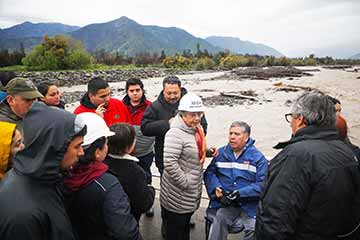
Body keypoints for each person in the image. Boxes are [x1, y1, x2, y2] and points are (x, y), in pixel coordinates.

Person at [256, 91, 360, 240]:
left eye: (290, 118)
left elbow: (275, 221)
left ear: (300, 120)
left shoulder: (295, 156)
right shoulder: (348, 152)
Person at [0, 102, 87, 240]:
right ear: (56, 148)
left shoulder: (45, 178)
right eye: (77, 146)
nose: (81, 153)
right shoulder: (22, 215)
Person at [65, 113, 142, 240]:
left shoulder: (60, 174)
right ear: (97, 152)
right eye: (106, 143)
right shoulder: (108, 185)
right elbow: (125, 233)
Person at [160, 93, 215, 240]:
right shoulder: (175, 133)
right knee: (177, 232)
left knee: (183, 227)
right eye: (192, 115)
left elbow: (193, 149)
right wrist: (186, 183)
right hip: (177, 193)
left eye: (199, 114)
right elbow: (170, 163)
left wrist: (207, 151)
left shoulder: (196, 129)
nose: (197, 118)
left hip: (190, 191)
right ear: (182, 114)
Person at [204, 121, 268, 240]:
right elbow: (209, 173)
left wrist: (240, 193)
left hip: (249, 206)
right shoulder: (221, 153)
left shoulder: (258, 158)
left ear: (246, 137)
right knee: (219, 219)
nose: (232, 137)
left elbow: (262, 184)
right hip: (226, 204)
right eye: (230, 133)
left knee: (254, 229)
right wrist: (216, 188)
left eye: (237, 134)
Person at [141, 75, 208, 176]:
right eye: (169, 93)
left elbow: (203, 126)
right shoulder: (155, 107)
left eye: (175, 93)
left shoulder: (192, 104)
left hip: (190, 157)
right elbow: (145, 128)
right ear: (163, 91)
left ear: (180, 90)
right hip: (165, 157)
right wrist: (167, 124)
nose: (172, 96)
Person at [105, 123, 155, 222]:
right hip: (129, 218)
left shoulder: (101, 163)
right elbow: (144, 204)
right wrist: (151, 190)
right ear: (129, 146)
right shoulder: (136, 172)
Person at [122, 78, 156, 217]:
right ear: (127, 91)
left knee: (146, 175)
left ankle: (147, 203)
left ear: (142, 90)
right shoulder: (121, 106)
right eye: (132, 91)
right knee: (127, 177)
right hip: (126, 151)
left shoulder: (151, 106)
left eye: (138, 90)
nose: (135, 93)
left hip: (145, 151)